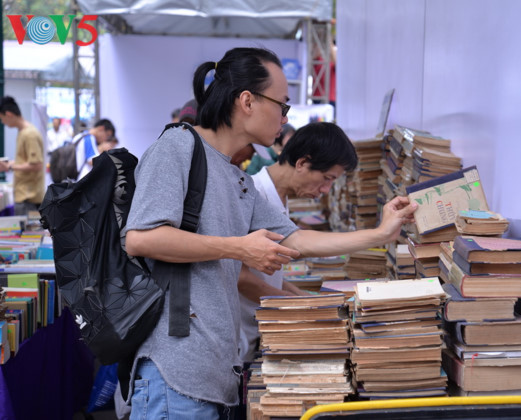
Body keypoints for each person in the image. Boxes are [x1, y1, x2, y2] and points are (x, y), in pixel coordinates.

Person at [123, 47, 417, 419]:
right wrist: (238, 248)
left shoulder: (238, 180)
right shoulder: (177, 147)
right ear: (247, 101)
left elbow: (297, 240)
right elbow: (141, 238)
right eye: (282, 105)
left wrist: (381, 233)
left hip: (213, 374)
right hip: (176, 375)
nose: (285, 119)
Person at [238, 121, 355, 364]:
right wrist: (299, 304)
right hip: (239, 335)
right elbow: (240, 277)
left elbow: (265, 276)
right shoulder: (253, 193)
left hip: (256, 331)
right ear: (302, 163)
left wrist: (302, 297)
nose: (326, 189)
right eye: (326, 178)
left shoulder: (279, 198)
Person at [0, 96, 45, 215]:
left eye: (2, 118)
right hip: (24, 196)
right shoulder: (23, 132)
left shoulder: (29, 134)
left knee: (30, 227)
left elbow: (37, 165)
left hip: (29, 199)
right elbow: (26, 161)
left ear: (8, 114)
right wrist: (9, 163)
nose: (3, 122)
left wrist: (9, 167)